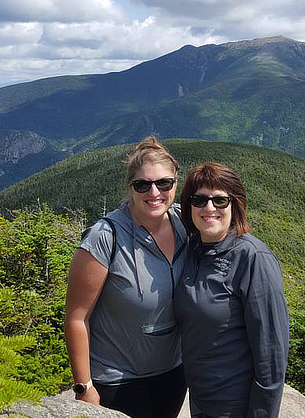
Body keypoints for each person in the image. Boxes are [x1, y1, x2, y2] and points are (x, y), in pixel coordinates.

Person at [64, 135, 188, 418]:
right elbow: (76, 317)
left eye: (163, 183)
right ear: (129, 187)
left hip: (172, 372)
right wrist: (84, 387)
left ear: (175, 184)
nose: (154, 192)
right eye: (142, 184)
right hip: (118, 378)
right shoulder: (105, 238)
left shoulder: (185, 224)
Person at [174, 162, 289, 418]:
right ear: (189, 205)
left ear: (235, 205)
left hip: (234, 406)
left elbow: (271, 353)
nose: (209, 208)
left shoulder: (252, 258)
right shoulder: (191, 250)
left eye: (220, 200)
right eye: (199, 200)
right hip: (200, 401)